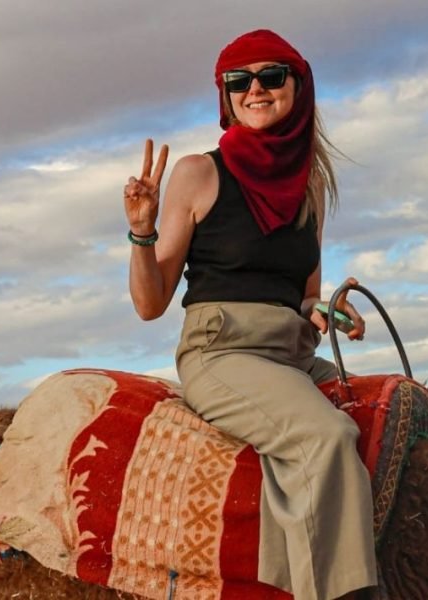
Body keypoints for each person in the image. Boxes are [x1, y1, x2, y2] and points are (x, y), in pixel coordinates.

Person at [122, 29, 376, 600]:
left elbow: (303, 296)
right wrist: (142, 230)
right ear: (225, 96)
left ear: (298, 86)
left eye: (270, 76)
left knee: (394, 407)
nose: (254, 89)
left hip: (291, 353)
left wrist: (331, 312)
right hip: (222, 351)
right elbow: (149, 303)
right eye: (239, 81)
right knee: (325, 437)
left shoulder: (310, 184)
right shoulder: (198, 173)